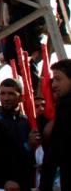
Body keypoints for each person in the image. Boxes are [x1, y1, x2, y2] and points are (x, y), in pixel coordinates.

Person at [0, 78, 38, 190]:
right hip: (5, 182)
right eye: (2, 93)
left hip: (29, 179)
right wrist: (27, 145)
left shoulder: (28, 121)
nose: (6, 98)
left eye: (11, 94)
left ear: (21, 97)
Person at [40, 59, 71, 190]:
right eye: (53, 80)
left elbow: (57, 148)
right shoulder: (63, 105)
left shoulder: (66, 106)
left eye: (58, 79)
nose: (53, 85)